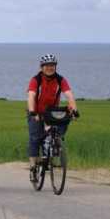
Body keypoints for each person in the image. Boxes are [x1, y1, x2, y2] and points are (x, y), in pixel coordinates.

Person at [26, 54, 79, 183]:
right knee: (35, 138)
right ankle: (33, 167)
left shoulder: (60, 80)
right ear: (41, 67)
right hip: (36, 112)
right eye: (47, 66)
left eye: (52, 66)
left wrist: (75, 110)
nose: (50, 68)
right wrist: (33, 112)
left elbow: (69, 95)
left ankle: (54, 145)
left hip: (52, 112)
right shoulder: (36, 80)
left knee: (61, 125)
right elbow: (31, 96)